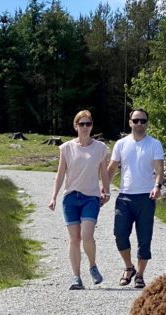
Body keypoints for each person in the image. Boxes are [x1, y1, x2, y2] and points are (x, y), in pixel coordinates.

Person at [48, 110, 111, 290]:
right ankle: (76, 277)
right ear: (76, 126)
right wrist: (53, 196)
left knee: (87, 235)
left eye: (88, 124)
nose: (85, 127)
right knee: (74, 239)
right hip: (70, 197)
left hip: (91, 197)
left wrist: (106, 192)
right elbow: (60, 174)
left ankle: (92, 265)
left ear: (92, 126)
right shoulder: (66, 148)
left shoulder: (100, 148)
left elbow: (104, 173)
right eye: (81, 124)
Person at [106, 108, 165, 289]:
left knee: (144, 238)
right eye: (136, 120)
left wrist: (157, 186)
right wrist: (103, 189)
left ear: (147, 123)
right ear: (130, 122)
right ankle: (128, 267)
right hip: (124, 196)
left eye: (143, 121)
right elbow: (112, 168)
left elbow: (159, 169)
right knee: (120, 234)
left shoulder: (154, 144)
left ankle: (140, 274)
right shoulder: (121, 144)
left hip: (146, 197)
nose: (140, 124)